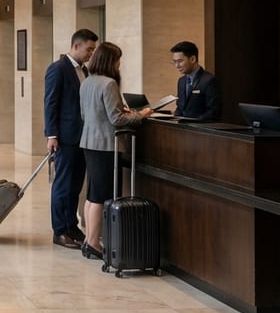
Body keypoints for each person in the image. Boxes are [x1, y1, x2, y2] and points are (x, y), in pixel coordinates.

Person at [78, 42, 152, 260]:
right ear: (111, 61)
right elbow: (116, 119)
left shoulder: (87, 82)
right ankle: (93, 243)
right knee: (102, 196)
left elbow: (87, 114)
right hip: (106, 145)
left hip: (89, 142)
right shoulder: (109, 83)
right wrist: (142, 115)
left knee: (92, 194)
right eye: (118, 60)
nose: (119, 65)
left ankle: (88, 240)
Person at [43, 28, 98, 249]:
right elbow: (50, 103)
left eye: (93, 50)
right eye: (88, 49)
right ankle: (59, 231)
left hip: (82, 137)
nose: (91, 54)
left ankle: (71, 225)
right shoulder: (58, 69)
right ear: (76, 46)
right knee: (63, 184)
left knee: (75, 184)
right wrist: (52, 134)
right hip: (65, 137)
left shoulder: (85, 70)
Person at [170, 41, 221, 120]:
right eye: (174, 62)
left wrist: (194, 123)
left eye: (180, 61)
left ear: (193, 59)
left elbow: (213, 112)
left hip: (200, 129)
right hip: (182, 129)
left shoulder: (209, 80)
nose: (177, 66)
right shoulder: (181, 81)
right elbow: (180, 108)